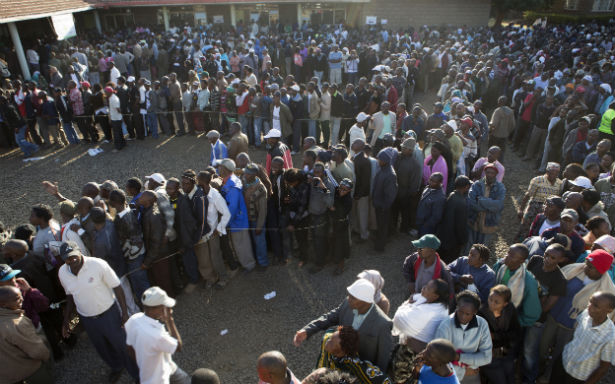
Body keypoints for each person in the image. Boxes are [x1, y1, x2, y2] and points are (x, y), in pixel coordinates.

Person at [58, 241, 139, 382]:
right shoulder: (62, 272)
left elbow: (118, 287)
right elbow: (70, 296)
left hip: (109, 314)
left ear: (79, 252)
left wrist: (124, 314)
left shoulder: (97, 264)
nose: (71, 260)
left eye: (73, 256)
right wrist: (67, 320)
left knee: (122, 345)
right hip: (87, 318)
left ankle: (137, 374)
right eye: (67, 258)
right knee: (102, 347)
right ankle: (116, 366)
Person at [539, 250, 615, 382]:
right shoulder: (573, 270)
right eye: (586, 263)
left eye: (591, 267)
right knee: (542, 346)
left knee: (560, 354)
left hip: (571, 328)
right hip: (553, 316)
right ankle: (536, 371)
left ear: (601, 271)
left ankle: (547, 377)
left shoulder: (606, 290)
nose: (586, 268)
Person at [293, 278, 393, 371]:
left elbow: (383, 359)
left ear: (366, 302)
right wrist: (307, 330)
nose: (348, 299)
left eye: (353, 297)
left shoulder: (383, 324)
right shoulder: (347, 303)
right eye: (349, 295)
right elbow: (330, 318)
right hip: (341, 363)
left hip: (361, 372)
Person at [125, 286, 191, 384]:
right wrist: (170, 320)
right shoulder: (156, 335)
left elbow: (129, 347)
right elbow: (178, 346)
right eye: (164, 306)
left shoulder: (133, 319)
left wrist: (142, 363)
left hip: (165, 367)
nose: (168, 308)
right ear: (154, 309)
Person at [523, 243, 569, 384]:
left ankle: (529, 379)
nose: (547, 259)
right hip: (520, 311)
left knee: (529, 351)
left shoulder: (560, 280)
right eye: (547, 254)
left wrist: (530, 307)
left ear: (560, 260)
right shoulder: (536, 260)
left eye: (553, 257)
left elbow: (547, 306)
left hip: (537, 320)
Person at [391, 279, 451, 383]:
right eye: (426, 284)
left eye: (428, 288)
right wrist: (409, 303)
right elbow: (415, 297)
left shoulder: (431, 312)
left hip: (412, 354)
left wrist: (406, 304)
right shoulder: (435, 304)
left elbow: (399, 318)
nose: (423, 287)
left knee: (401, 378)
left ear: (435, 296)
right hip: (412, 350)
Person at [550, 291, 615, 384]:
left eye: (595, 306)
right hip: (563, 362)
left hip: (578, 376)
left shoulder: (610, 336)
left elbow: (603, 368)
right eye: (590, 302)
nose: (589, 307)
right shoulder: (586, 314)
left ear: (609, 310)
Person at [435, 290, 493, 384]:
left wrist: (459, 357)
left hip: (472, 375)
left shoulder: (482, 324)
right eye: (460, 311)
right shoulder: (445, 326)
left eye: (467, 314)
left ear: (475, 312)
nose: (463, 317)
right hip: (449, 374)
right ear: (457, 306)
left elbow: (486, 357)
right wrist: (464, 371)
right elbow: (439, 358)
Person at [0, 285, 52, 384]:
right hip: (30, 373)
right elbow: (37, 351)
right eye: (17, 299)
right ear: (3, 304)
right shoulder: (16, 323)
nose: (22, 300)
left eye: (21, 296)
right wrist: (47, 357)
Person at [316, 325, 392, 384]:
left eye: (332, 342)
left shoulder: (357, 368)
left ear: (342, 350)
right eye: (331, 338)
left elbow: (385, 381)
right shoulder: (327, 339)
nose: (327, 341)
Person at [478, 285, 521, 384]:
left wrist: (495, 336)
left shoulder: (510, 310)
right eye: (490, 299)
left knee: (510, 379)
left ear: (505, 304)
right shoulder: (482, 313)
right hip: (490, 356)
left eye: (496, 302)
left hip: (507, 353)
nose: (491, 303)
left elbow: (516, 333)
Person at [218, 158, 255, 271]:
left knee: (242, 245)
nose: (218, 168)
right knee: (240, 245)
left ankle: (249, 265)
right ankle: (245, 263)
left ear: (225, 169)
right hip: (237, 219)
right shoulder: (231, 180)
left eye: (220, 167)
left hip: (237, 221)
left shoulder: (232, 186)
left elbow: (232, 208)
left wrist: (225, 223)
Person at [493, 244, 541, 328]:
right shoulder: (500, 266)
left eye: (512, 256)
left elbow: (532, 313)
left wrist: (513, 322)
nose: (507, 257)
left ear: (522, 261)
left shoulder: (528, 282)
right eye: (508, 253)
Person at [517, 163, 562, 240]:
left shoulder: (559, 183)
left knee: (540, 227)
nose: (553, 175)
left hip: (549, 208)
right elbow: (528, 195)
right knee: (525, 227)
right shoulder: (537, 180)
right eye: (551, 172)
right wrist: (521, 209)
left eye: (556, 173)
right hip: (535, 206)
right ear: (547, 171)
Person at [403, 234, 455, 299]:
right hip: (412, 295)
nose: (418, 251)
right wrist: (410, 281)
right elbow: (407, 265)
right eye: (418, 248)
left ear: (432, 251)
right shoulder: (415, 258)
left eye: (421, 249)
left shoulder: (443, 271)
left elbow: (450, 294)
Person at [467, 163, 506, 249]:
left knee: (482, 248)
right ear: (485, 173)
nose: (490, 175)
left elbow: (499, 205)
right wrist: (489, 206)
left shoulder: (500, 188)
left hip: (489, 223)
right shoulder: (476, 185)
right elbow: (471, 202)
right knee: (470, 246)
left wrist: (480, 200)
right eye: (488, 172)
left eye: (492, 173)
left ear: (496, 174)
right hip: (474, 221)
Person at [437, 176, 471, 263]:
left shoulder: (451, 195)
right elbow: (461, 226)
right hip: (452, 242)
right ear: (466, 187)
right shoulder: (462, 203)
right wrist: (463, 240)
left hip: (443, 237)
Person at [242, 163, 268, 268]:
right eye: (245, 173)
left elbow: (263, 210)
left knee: (259, 242)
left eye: (248, 174)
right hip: (246, 218)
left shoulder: (261, 189)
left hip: (256, 220)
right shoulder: (244, 182)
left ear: (255, 175)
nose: (246, 175)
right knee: (251, 241)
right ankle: (255, 259)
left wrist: (259, 226)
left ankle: (263, 263)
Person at [372, 148, 398, 252]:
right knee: (380, 224)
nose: (378, 160)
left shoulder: (390, 175)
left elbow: (391, 195)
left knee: (383, 226)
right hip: (379, 204)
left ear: (385, 161)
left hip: (383, 206)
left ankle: (380, 246)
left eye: (380, 159)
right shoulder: (382, 169)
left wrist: (384, 206)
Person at [331, 178, 353, 275]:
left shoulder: (348, 201)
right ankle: (334, 259)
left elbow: (341, 213)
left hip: (342, 224)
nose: (341, 191)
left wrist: (332, 208)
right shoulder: (337, 191)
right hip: (334, 223)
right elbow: (328, 192)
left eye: (344, 190)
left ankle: (341, 266)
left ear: (349, 191)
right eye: (340, 188)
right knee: (333, 242)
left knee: (341, 245)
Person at [416, 172, 446, 236]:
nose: (430, 182)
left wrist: (425, 227)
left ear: (440, 183)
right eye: (430, 179)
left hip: (427, 228)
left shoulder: (440, 197)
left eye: (433, 181)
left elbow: (436, 217)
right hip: (420, 223)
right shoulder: (428, 187)